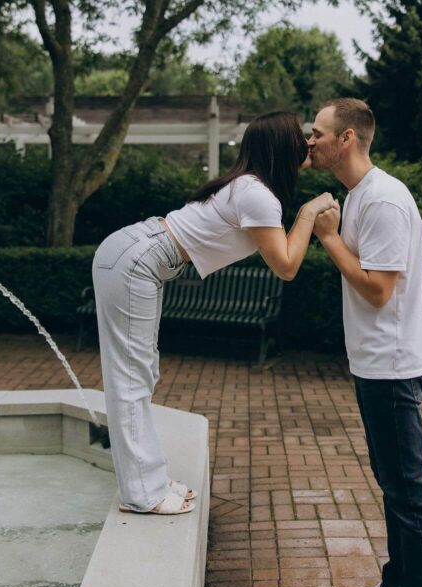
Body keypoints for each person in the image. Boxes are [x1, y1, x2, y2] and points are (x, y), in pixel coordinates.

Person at [93, 111, 337, 517]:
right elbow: (287, 266)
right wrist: (309, 214)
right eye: (302, 137)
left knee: (140, 373)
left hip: (137, 255)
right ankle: (143, 493)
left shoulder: (249, 186)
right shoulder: (257, 194)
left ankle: (146, 480)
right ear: (281, 146)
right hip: (138, 260)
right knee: (131, 378)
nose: (309, 143)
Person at [308, 97, 422, 587]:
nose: (307, 140)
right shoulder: (359, 195)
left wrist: (329, 239)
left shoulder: (383, 199)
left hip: (392, 365)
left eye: (316, 132)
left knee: (408, 493)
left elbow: (379, 289)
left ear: (347, 139)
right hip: (374, 363)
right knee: (393, 485)